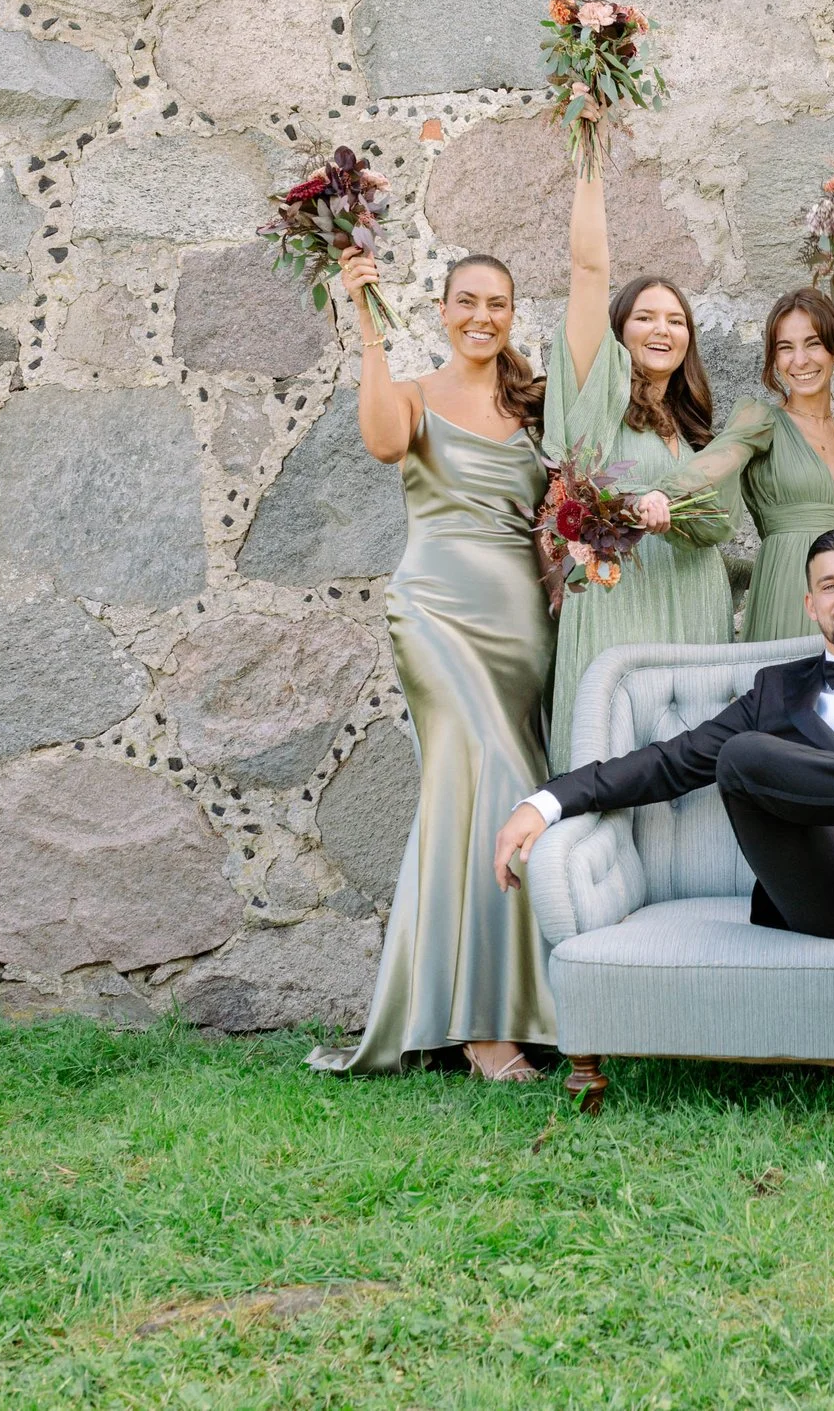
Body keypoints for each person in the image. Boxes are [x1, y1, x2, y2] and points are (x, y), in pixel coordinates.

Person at [493, 527, 834, 1178]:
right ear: (810, 605)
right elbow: (671, 762)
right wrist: (548, 801)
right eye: (829, 585)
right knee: (740, 756)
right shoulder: (775, 692)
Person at [307, 246, 557, 1083]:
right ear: (444, 310)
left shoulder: (534, 406)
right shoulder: (413, 393)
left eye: (498, 304)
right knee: (482, 778)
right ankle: (483, 1027)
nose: (483, 317)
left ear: (512, 315)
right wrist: (367, 321)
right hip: (436, 614)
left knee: (506, 791)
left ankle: (515, 1002)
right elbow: (383, 441)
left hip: (520, 624)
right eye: (467, 302)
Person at [542, 156, 736, 771]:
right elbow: (588, 269)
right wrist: (589, 147)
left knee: (689, 780)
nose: (662, 329)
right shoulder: (597, 407)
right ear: (618, 330)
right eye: (645, 316)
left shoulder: (690, 430)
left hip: (694, 612)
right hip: (622, 613)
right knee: (613, 765)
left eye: (676, 320)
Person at [662, 288, 834, 641]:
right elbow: (720, 458)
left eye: (813, 343)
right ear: (774, 359)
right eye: (785, 348)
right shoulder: (761, 420)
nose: (800, 360)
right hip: (788, 594)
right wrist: (665, 495)